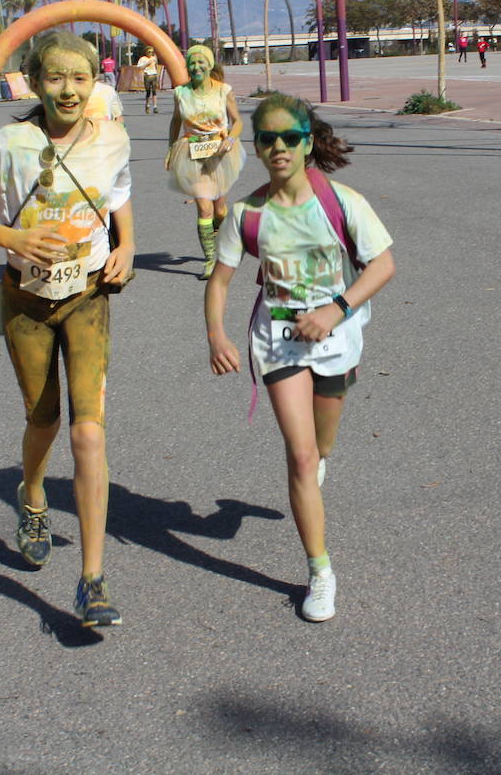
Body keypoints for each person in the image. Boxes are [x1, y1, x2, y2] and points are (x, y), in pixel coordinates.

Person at [0, 30, 134, 628]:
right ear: (34, 81)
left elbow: (119, 189)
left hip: (89, 295)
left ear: (94, 81)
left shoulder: (113, 137)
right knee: (43, 418)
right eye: (55, 78)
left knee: (89, 433)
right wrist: (15, 238)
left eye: (80, 78)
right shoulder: (10, 144)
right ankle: (34, 496)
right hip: (26, 301)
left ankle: (92, 581)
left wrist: (128, 245)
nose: (68, 90)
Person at [204, 93, 396, 623]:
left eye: (291, 137)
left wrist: (335, 310)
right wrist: (216, 334)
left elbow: (382, 266)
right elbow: (219, 280)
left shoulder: (341, 201)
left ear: (309, 142)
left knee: (323, 444)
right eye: (269, 138)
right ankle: (320, 571)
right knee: (301, 457)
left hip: (336, 338)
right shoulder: (247, 214)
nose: (280, 147)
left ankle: (318, 461)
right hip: (280, 341)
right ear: (257, 145)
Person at [166, 44, 244, 279]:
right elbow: (175, 122)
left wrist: (231, 138)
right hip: (192, 153)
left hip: (221, 153)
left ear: (210, 65)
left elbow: (237, 121)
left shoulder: (223, 90)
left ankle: (223, 243)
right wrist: (170, 149)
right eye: (192, 62)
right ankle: (210, 260)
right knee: (204, 206)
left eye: (201, 62)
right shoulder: (181, 93)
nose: (196, 67)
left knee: (220, 209)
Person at [136, 45, 161, 114]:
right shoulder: (142, 59)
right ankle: (147, 105)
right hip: (147, 76)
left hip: (154, 75)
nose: (150, 53)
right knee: (148, 92)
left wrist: (157, 74)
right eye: (149, 52)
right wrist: (147, 64)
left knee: (154, 91)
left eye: (152, 52)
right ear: (146, 52)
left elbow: (155, 66)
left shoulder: (154, 58)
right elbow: (140, 68)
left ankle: (155, 107)